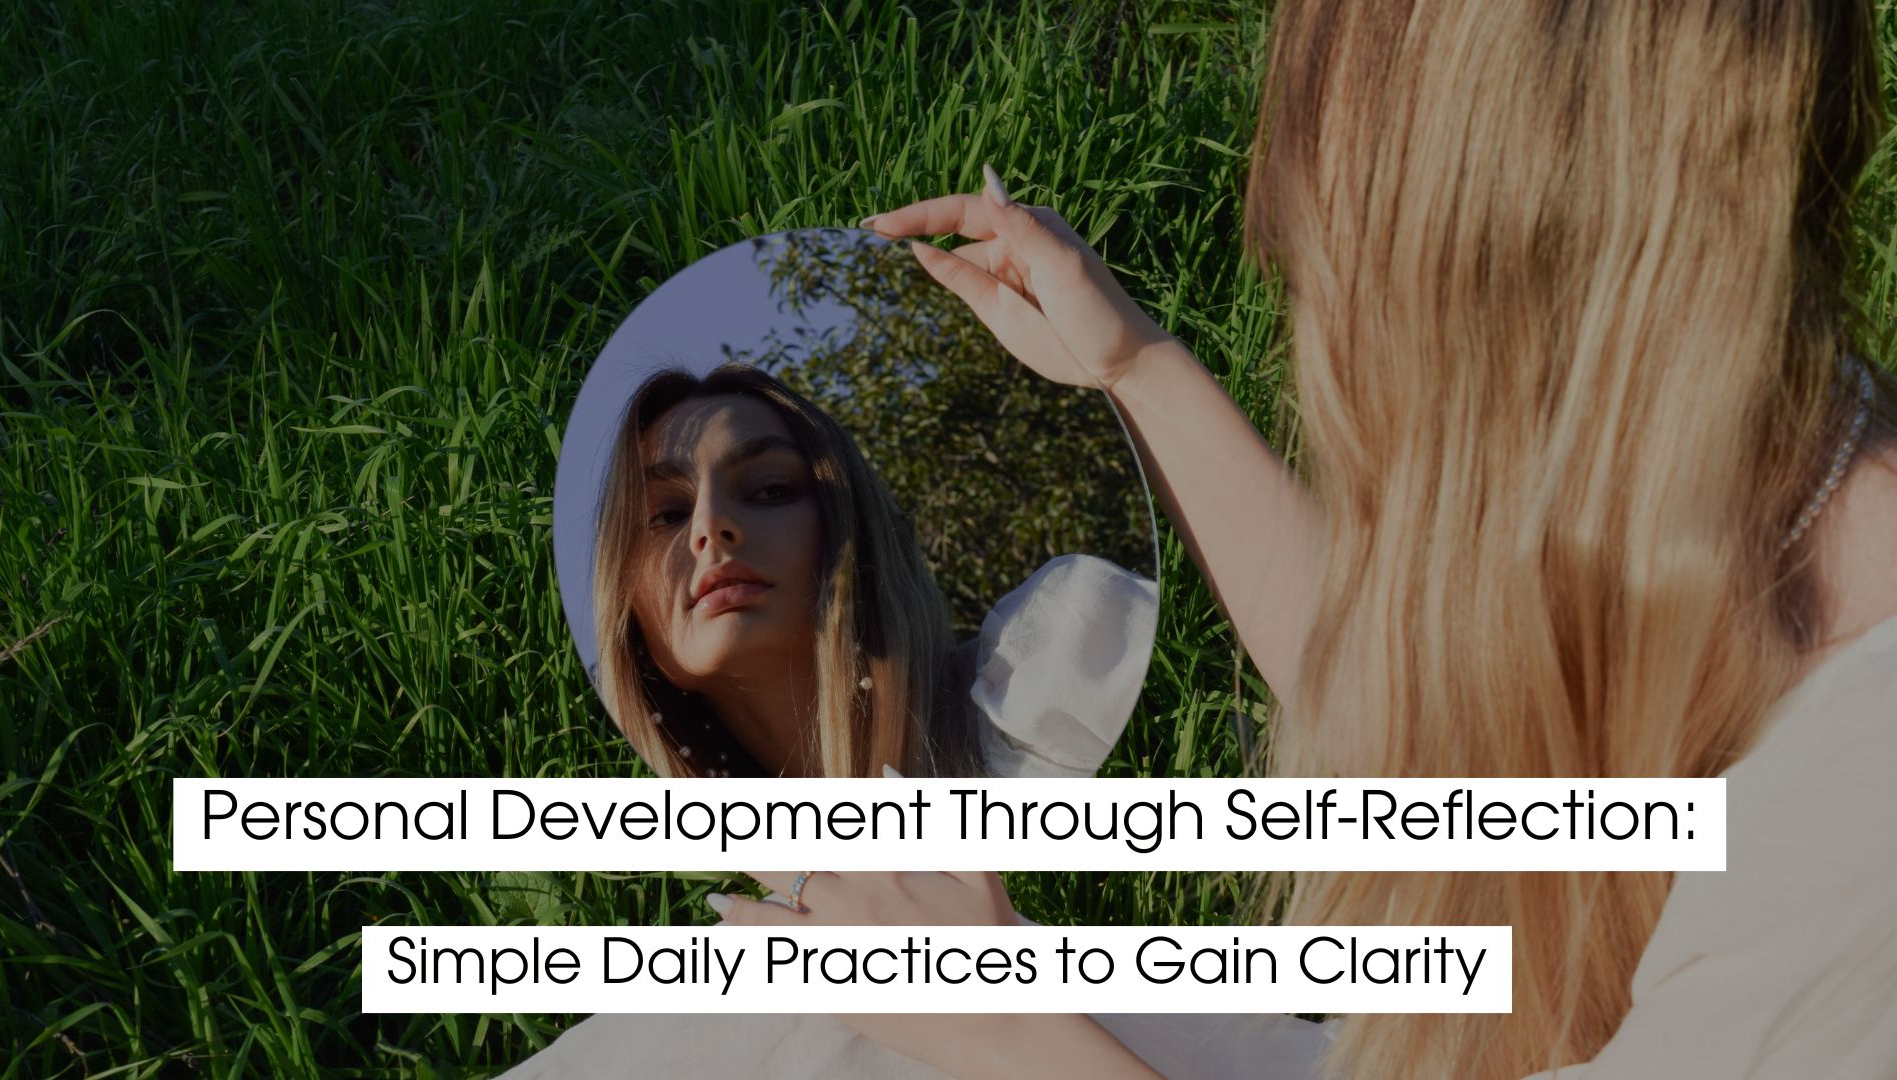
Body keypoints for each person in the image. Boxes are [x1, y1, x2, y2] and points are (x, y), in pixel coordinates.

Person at [698, 1, 1897, 1078]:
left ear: (1500, 262)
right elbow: (1457, 757)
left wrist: (1009, 1026)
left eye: (1332, 257)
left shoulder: (1861, 818)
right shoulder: (1763, 474)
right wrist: (1133, 368)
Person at [589, 362, 1158, 780]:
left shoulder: (1063, 673)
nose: (710, 527)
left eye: (772, 489)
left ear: (851, 527)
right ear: (624, 599)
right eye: (666, 514)